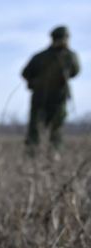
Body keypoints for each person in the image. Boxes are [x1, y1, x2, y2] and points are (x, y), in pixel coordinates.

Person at [22, 26, 80, 154]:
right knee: (35, 129)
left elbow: (76, 71)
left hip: (59, 98)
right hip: (40, 98)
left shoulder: (69, 56)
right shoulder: (40, 57)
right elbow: (25, 73)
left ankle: (54, 156)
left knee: (56, 130)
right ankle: (32, 156)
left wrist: (67, 72)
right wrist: (35, 83)